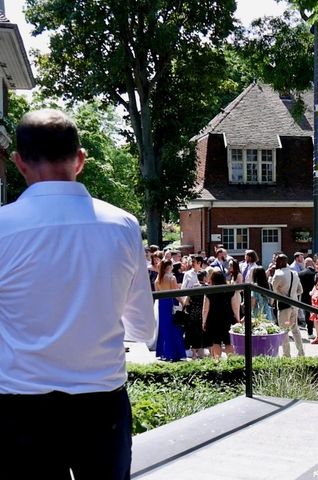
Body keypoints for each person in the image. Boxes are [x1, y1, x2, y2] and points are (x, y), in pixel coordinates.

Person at [0, 109, 155, 478]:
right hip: (101, 403)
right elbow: (141, 327)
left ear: (19, 162)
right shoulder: (123, 225)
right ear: (81, 160)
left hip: (21, 405)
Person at [270, 254, 304, 357]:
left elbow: (273, 293)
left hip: (284, 307)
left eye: (276, 261)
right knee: (295, 329)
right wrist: (292, 294)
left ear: (279, 262)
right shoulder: (294, 273)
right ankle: (301, 352)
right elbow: (300, 290)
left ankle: (286, 355)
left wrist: (271, 303)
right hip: (294, 305)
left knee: (283, 331)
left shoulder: (278, 274)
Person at [155, 259, 187, 362]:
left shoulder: (157, 279)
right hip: (171, 303)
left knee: (164, 328)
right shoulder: (172, 278)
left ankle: (164, 352)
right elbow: (176, 294)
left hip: (162, 304)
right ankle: (174, 353)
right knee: (174, 328)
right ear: (169, 266)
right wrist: (183, 303)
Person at [202, 270, 236, 359]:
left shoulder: (209, 291)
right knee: (228, 342)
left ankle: (217, 361)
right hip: (227, 318)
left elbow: (205, 309)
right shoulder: (230, 290)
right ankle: (232, 362)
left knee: (216, 342)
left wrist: (203, 321)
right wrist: (237, 318)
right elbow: (235, 306)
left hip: (213, 319)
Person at [298, 257, 317, 336]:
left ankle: (310, 332)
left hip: (304, 296)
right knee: (315, 313)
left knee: (307, 314)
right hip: (314, 296)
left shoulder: (300, 274)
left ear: (305, 264)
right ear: (312, 263)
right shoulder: (315, 273)